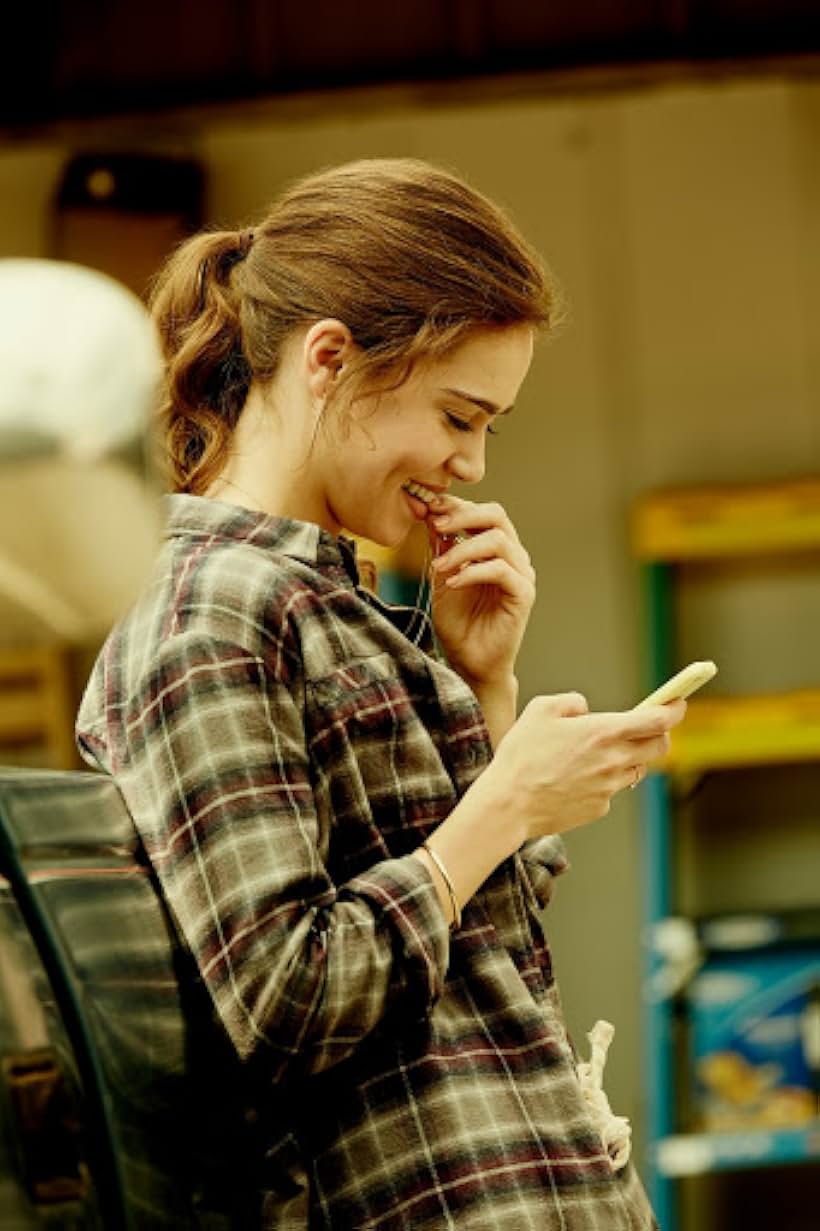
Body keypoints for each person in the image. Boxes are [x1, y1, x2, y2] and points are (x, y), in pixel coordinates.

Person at [76, 158, 684, 1230]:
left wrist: (482, 682)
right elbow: (286, 1000)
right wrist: (509, 801)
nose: (471, 462)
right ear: (328, 359)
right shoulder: (202, 614)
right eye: (458, 415)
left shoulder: (324, 598)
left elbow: (483, 935)